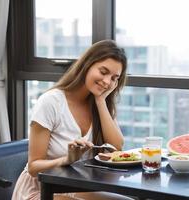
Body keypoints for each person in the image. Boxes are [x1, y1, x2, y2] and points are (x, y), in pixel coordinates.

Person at [12, 40, 133, 200]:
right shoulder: (51, 102)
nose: (106, 82)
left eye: (114, 78)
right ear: (87, 65)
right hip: (41, 191)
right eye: (103, 72)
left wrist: (100, 101)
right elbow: (34, 168)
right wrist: (67, 159)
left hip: (75, 187)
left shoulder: (101, 104)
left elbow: (116, 147)